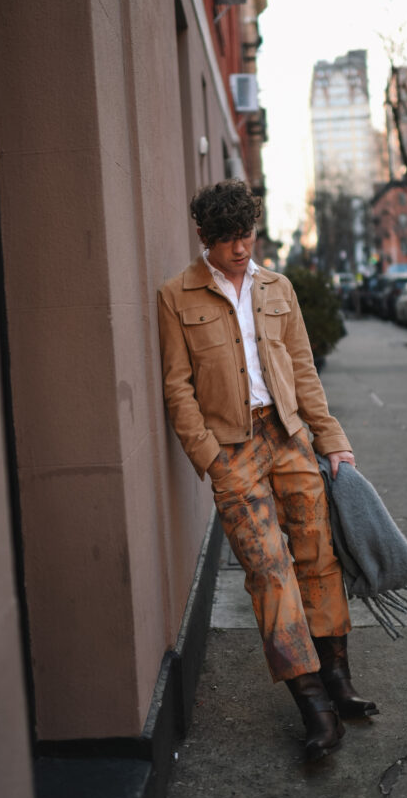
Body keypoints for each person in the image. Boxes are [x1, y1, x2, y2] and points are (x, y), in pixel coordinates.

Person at [157, 180, 377, 762]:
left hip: (290, 437)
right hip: (233, 450)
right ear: (204, 236)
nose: (239, 249)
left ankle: (337, 677)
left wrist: (332, 441)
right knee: (269, 569)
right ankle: (313, 705)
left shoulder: (277, 287)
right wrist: (209, 457)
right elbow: (177, 388)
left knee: (318, 554)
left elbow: (303, 370)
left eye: (247, 234)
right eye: (227, 238)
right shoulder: (175, 296)